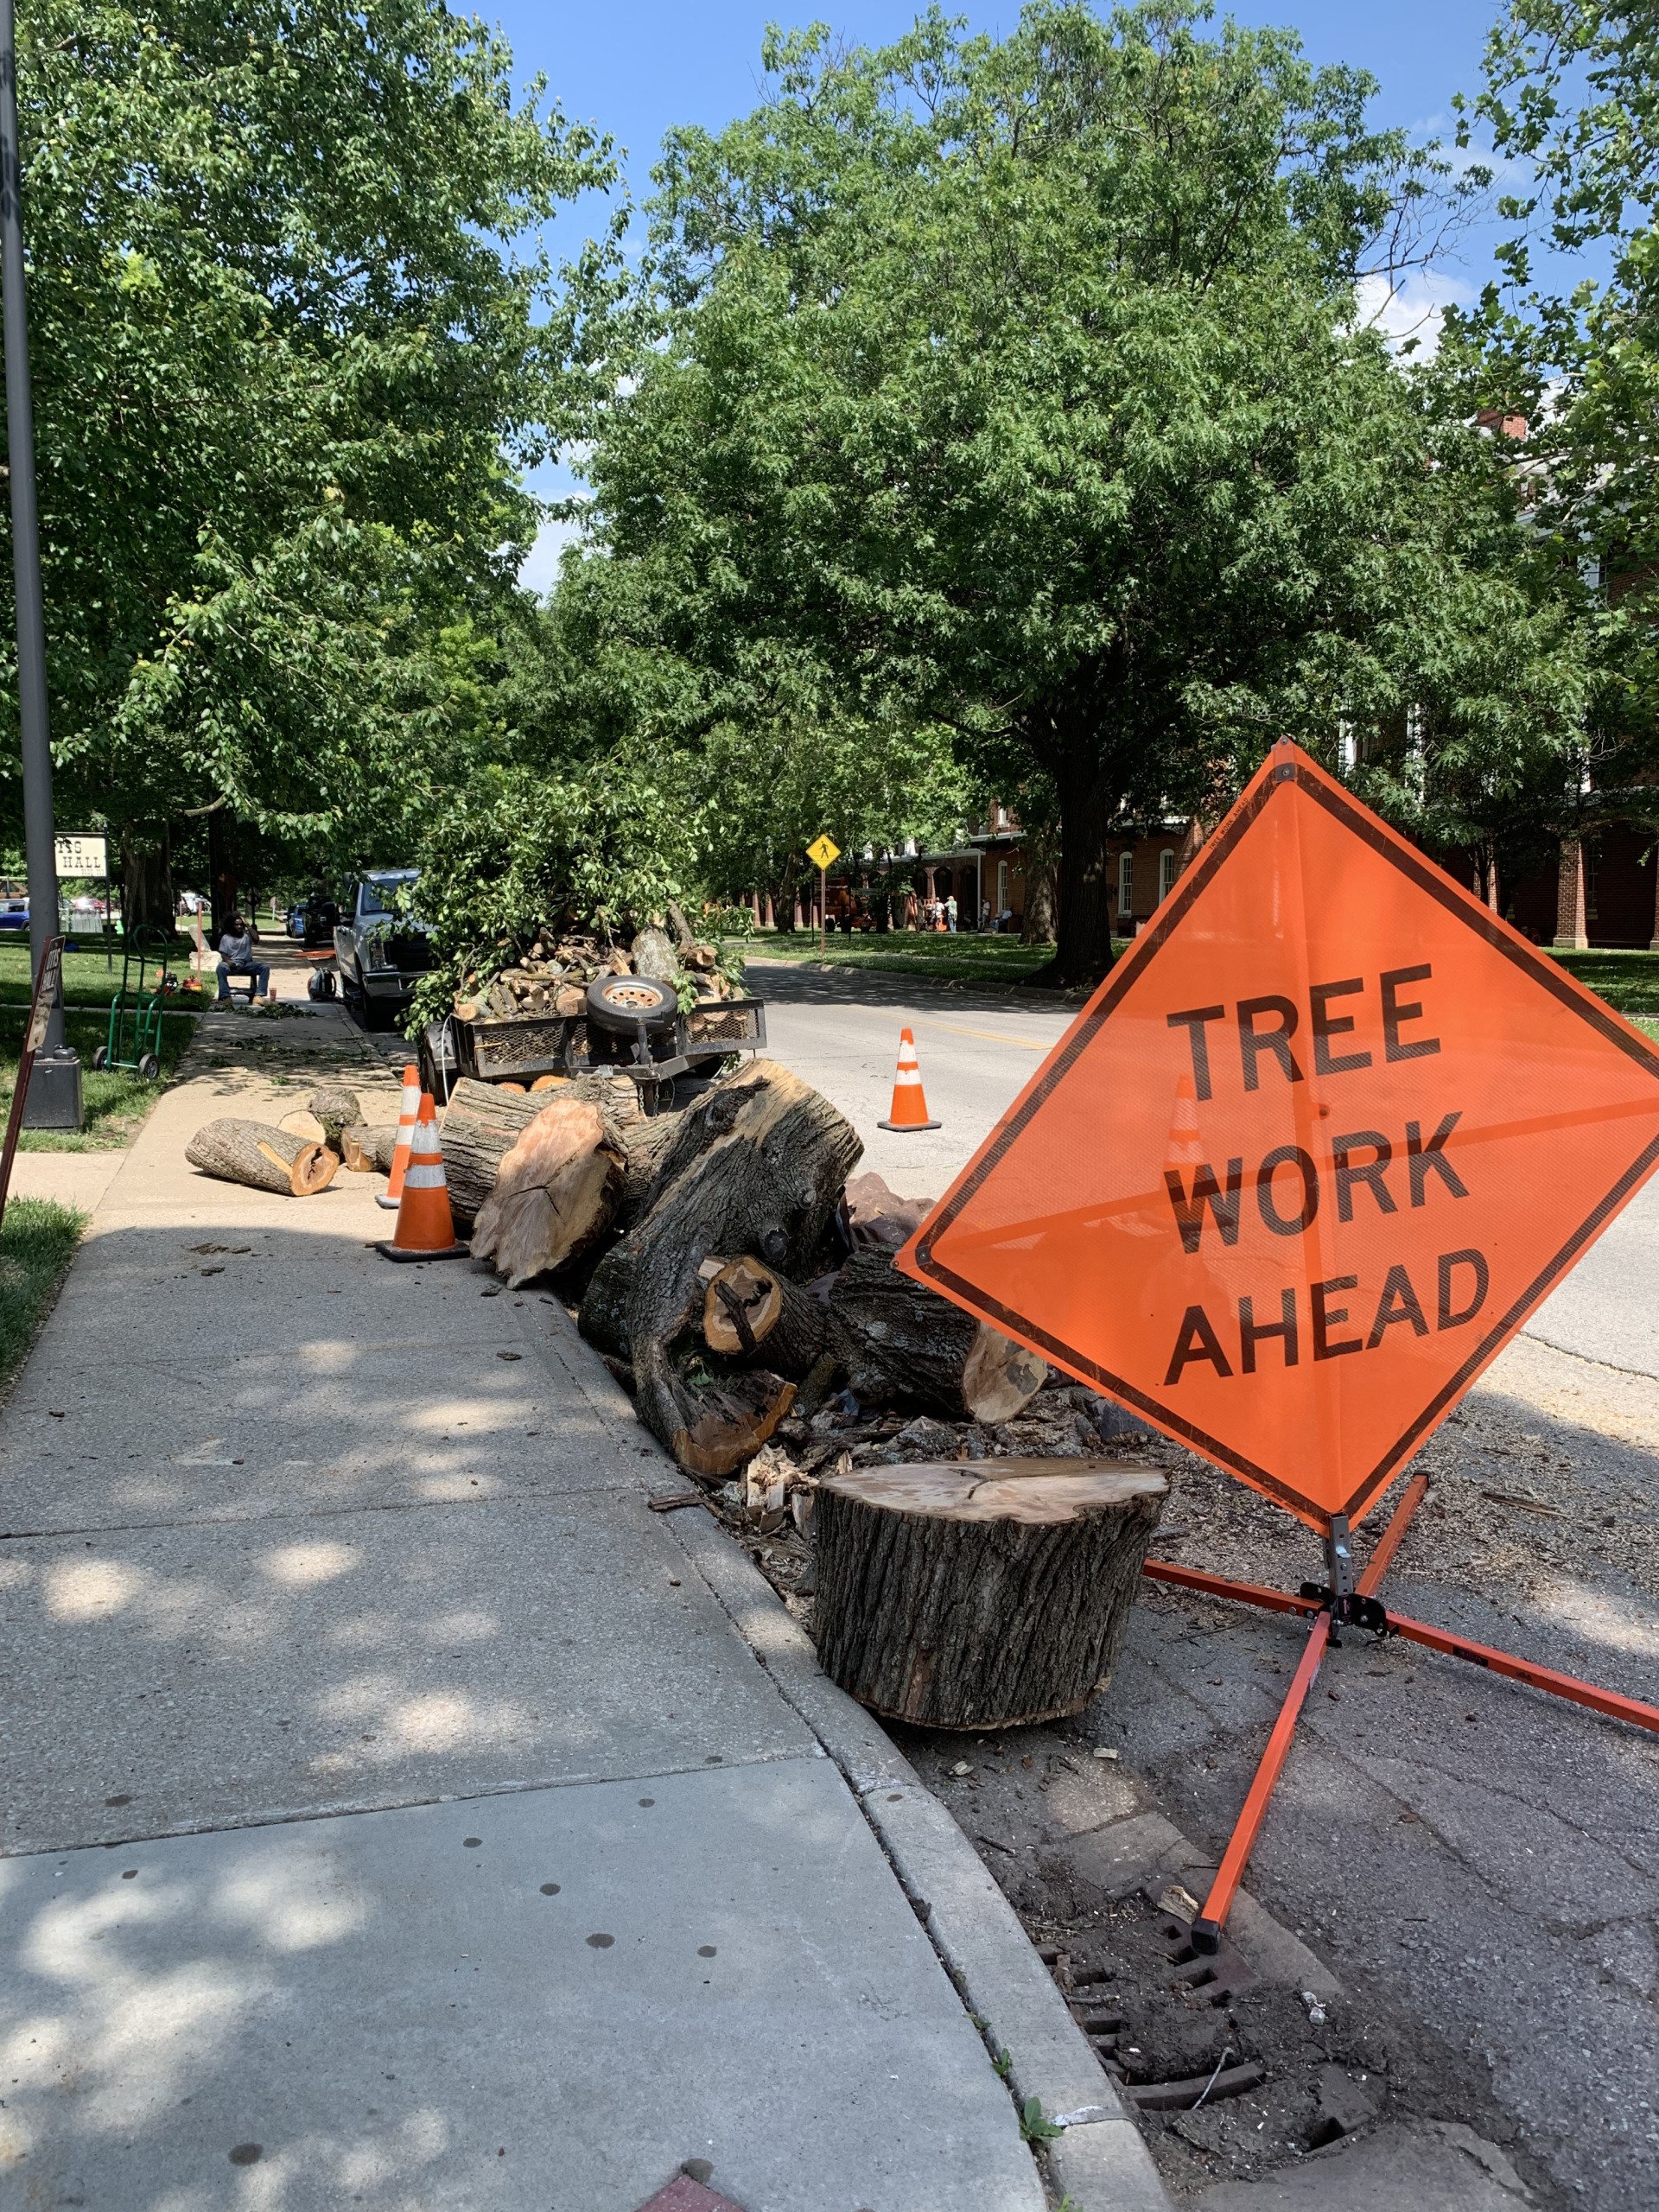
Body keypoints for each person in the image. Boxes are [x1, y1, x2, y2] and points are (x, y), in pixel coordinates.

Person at [216, 914, 270, 1004]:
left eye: (241, 924)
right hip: (232, 965)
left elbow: (256, 939)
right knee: (220, 967)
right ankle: (226, 997)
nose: (239, 927)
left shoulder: (247, 936)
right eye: (236, 925)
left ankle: (259, 996)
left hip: (247, 965)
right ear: (231, 926)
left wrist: (248, 925)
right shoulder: (226, 937)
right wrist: (228, 961)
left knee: (265, 967)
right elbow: (223, 954)